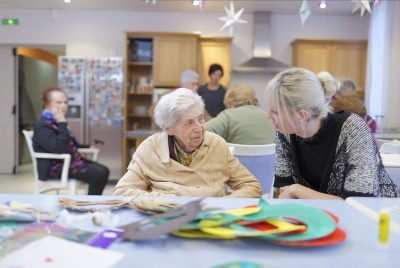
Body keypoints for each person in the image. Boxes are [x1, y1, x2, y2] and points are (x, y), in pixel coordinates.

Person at [264, 67, 399, 199]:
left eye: (274, 112)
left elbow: (358, 201)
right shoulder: (285, 132)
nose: (268, 116)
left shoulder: (354, 129)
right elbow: (284, 192)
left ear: (302, 116)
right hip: (318, 216)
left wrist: (296, 189)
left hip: (379, 216)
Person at [113, 88, 262, 197]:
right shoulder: (150, 147)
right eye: (189, 123)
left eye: (200, 118)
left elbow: (251, 186)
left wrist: (223, 204)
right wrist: (165, 200)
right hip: (165, 218)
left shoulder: (217, 144)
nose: (199, 128)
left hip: (209, 220)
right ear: (168, 128)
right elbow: (121, 192)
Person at [32, 87, 109, 195]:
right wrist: (62, 122)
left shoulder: (55, 121)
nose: (63, 106)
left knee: (104, 170)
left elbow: (70, 143)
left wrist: (87, 147)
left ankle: (91, 202)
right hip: (54, 167)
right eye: (58, 102)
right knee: (97, 174)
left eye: (65, 102)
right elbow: (58, 148)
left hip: (69, 162)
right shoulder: (43, 124)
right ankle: (90, 205)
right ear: (47, 104)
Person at [206, 84, 275, 145]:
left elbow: (204, 130)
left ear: (230, 102)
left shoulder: (228, 115)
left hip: (234, 159)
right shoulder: (269, 117)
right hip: (268, 159)